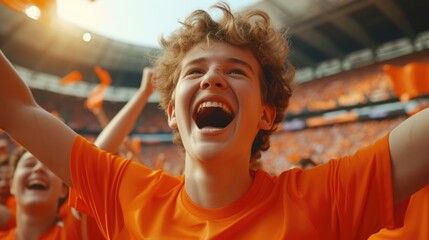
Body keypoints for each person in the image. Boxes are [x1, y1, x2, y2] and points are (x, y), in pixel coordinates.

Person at [1, 2, 429, 239]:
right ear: (172, 111)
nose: (212, 78)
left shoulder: (324, 199)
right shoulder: (124, 193)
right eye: (195, 70)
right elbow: (18, 110)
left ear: (266, 113)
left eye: (236, 70)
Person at [0, 148, 80, 239]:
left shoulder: (80, 228)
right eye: (29, 164)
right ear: (12, 184)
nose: (38, 168)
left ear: (64, 189)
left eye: (51, 166)